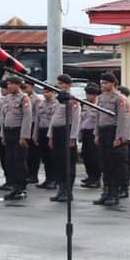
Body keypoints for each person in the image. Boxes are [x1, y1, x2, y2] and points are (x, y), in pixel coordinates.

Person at [94, 72, 130, 207]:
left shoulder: (120, 98)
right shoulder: (100, 98)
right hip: (103, 132)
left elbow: (123, 119)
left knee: (114, 165)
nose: (103, 85)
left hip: (113, 132)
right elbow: (97, 117)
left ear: (113, 84)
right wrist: (96, 134)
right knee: (104, 165)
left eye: (105, 83)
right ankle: (106, 192)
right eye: (102, 83)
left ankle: (114, 194)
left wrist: (119, 137)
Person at [48, 74, 81, 203]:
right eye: (59, 84)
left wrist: (72, 137)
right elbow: (53, 119)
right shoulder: (57, 99)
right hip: (56, 132)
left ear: (68, 85)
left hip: (66, 132)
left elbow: (76, 119)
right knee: (58, 163)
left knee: (68, 164)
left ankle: (68, 192)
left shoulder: (72, 100)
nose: (60, 86)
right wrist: (50, 135)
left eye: (62, 84)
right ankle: (60, 190)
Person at [0, 76, 32, 201]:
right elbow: (3, 117)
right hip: (8, 132)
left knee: (19, 161)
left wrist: (24, 136)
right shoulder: (7, 98)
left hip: (19, 132)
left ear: (18, 85)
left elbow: (27, 118)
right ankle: (13, 187)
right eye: (8, 84)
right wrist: (2, 134)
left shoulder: (24, 98)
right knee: (9, 160)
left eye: (12, 84)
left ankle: (21, 188)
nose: (9, 86)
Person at [79, 83, 102, 189]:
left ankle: (96, 178)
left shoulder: (99, 105)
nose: (88, 97)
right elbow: (81, 120)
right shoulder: (84, 104)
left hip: (94, 133)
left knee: (95, 157)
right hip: (85, 132)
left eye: (90, 95)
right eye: (87, 94)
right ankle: (90, 176)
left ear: (95, 95)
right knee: (86, 156)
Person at [20, 80, 43, 186]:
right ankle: (27, 174)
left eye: (27, 86)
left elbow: (38, 116)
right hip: (25, 125)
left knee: (34, 153)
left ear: (32, 87)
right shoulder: (22, 97)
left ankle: (33, 175)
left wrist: (35, 132)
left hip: (33, 124)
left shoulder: (36, 99)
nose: (25, 88)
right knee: (26, 153)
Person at [35, 86, 57, 191]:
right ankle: (48, 179)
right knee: (45, 158)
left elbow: (54, 122)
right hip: (42, 131)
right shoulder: (41, 104)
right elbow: (37, 120)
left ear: (53, 92)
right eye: (44, 92)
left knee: (52, 158)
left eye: (48, 92)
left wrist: (51, 136)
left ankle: (54, 180)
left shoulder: (56, 104)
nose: (45, 94)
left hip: (51, 132)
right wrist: (35, 135)